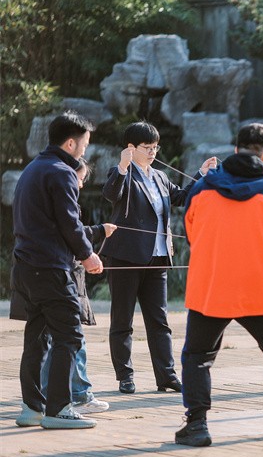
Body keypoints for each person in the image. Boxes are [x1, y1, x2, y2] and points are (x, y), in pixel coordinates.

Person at [175, 123, 263, 447]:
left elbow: (191, 233)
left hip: (211, 287)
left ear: (235, 150)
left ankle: (197, 424)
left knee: (197, 356)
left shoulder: (203, 187)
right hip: (260, 287)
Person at [100, 121, 216, 394]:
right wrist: (122, 166)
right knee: (122, 320)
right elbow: (111, 194)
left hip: (158, 257)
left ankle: (167, 376)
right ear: (131, 148)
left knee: (160, 321)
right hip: (126, 258)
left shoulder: (160, 177)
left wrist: (201, 174)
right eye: (147, 147)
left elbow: (182, 197)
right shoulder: (121, 172)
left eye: (155, 147)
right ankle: (125, 376)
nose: (153, 152)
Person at [12, 111, 104, 429]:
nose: (84, 151)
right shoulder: (62, 172)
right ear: (70, 143)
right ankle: (59, 409)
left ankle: (32, 408)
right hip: (51, 269)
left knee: (37, 339)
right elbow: (70, 222)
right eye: (84, 145)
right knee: (70, 335)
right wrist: (88, 256)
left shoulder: (33, 169)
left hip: (26, 268)